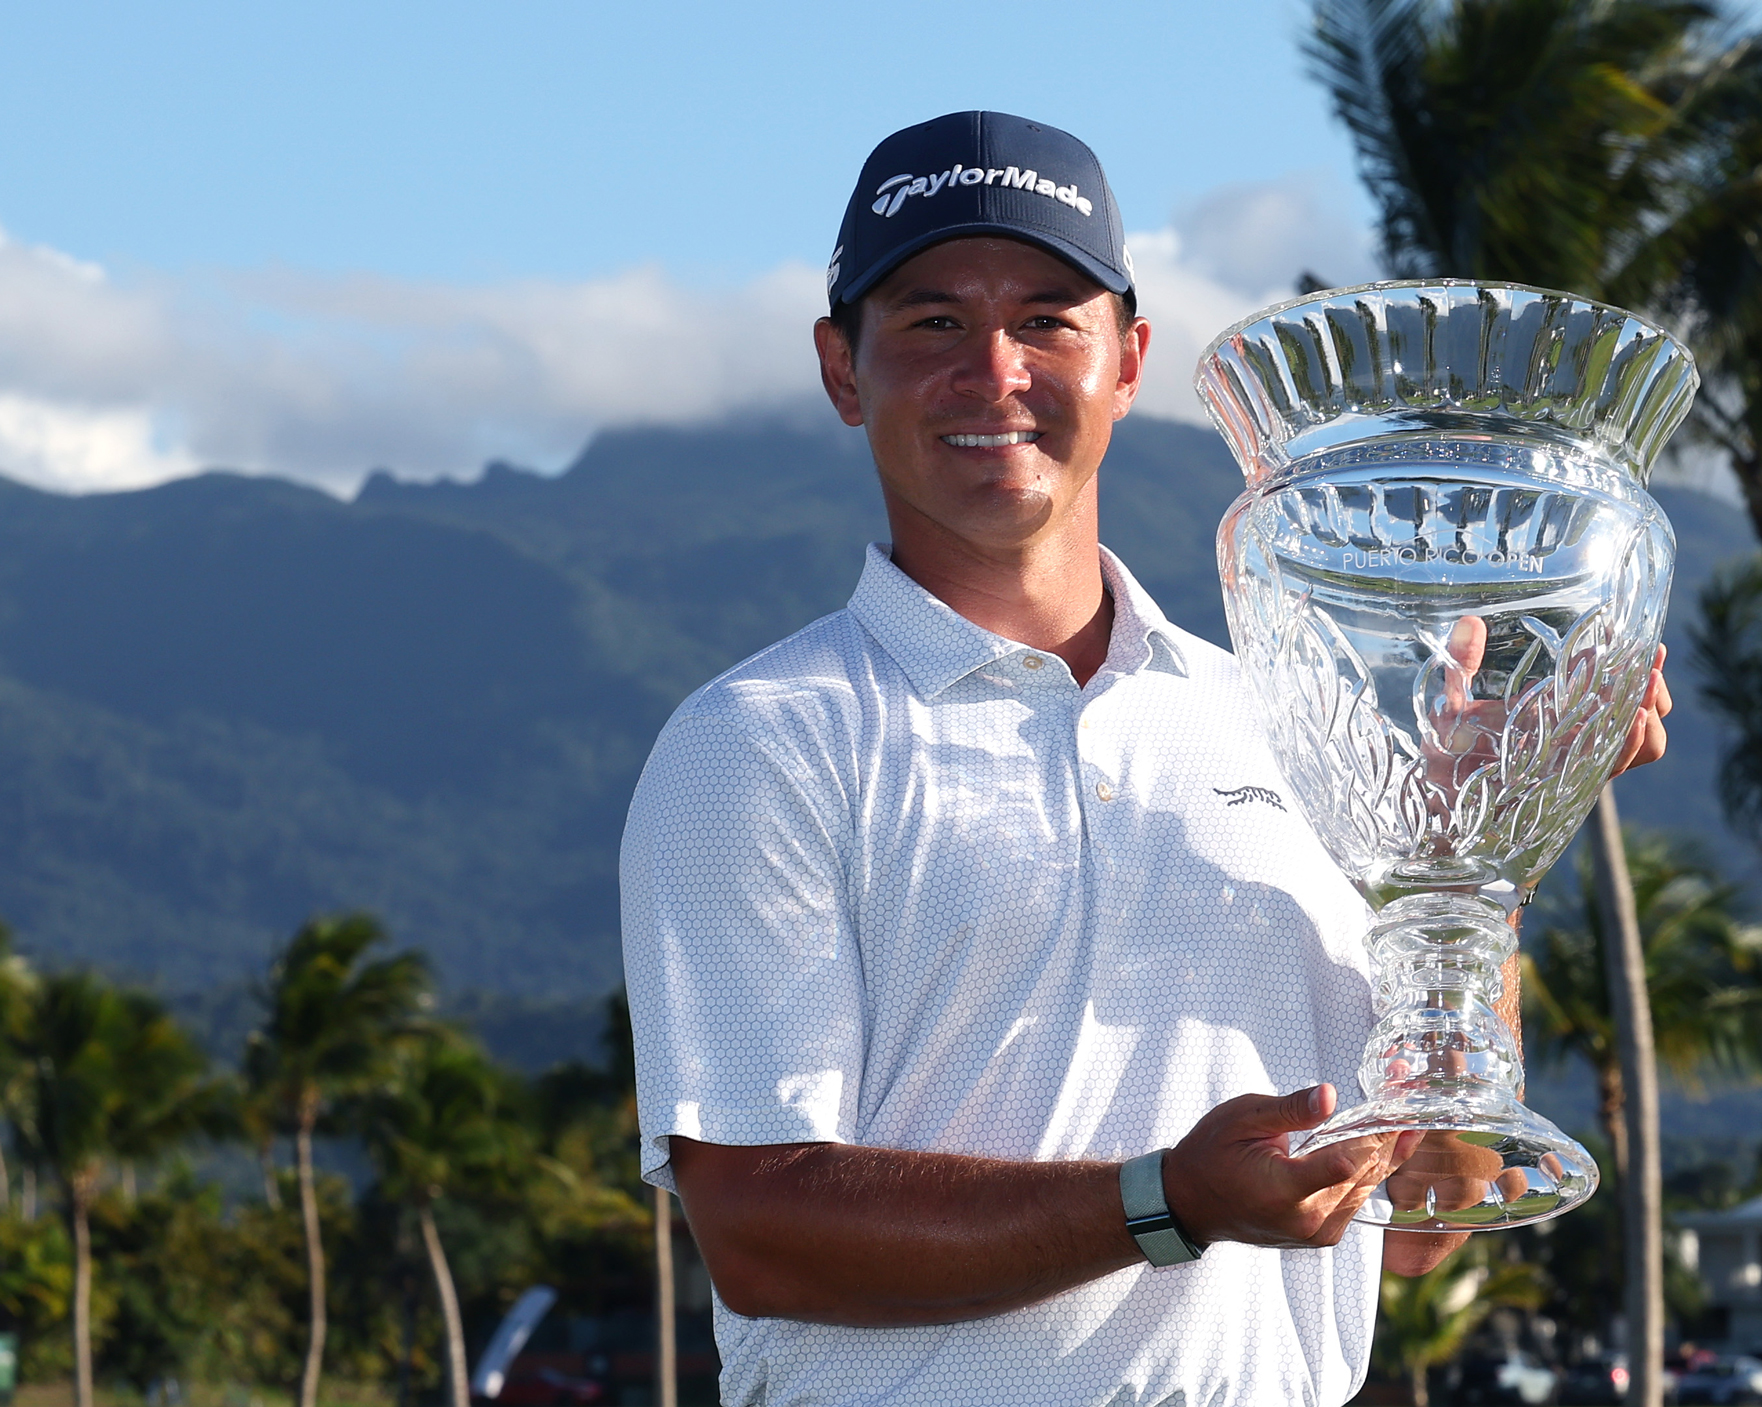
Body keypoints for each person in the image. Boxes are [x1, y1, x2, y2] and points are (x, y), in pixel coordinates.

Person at [619, 111, 1672, 1406]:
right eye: (934, 322)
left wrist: (1467, 859)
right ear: (846, 369)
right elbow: (761, 1229)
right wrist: (1164, 1202)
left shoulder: (1294, 727)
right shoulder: (764, 740)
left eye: (1050, 320)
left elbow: (1428, 1208)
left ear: (1129, 361)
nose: (994, 371)